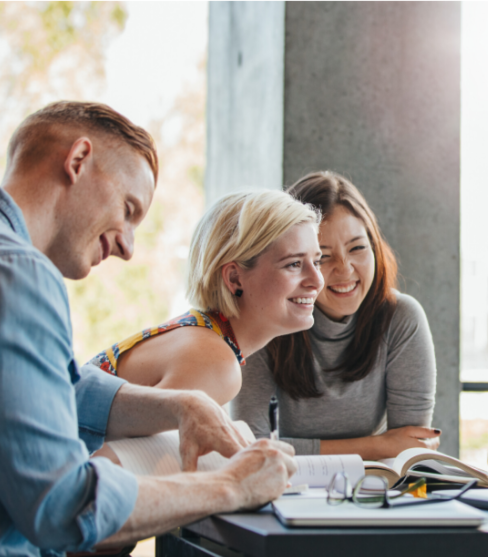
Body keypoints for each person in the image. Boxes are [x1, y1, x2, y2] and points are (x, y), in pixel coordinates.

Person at [0, 101, 297, 557]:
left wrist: (182, 405)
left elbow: (53, 389)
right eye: (128, 208)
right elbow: (63, 507)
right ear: (78, 161)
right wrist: (231, 486)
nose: (127, 247)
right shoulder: (22, 275)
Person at [231, 171, 440, 460]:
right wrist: (377, 445)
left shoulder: (401, 318)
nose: (344, 269)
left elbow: (409, 447)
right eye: (323, 257)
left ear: (375, 247)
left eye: (357, 248)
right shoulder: (266, 319)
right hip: (284, 489)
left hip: (373, 490)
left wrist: (388, 447)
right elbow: (251, 448)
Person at [87, 189, 324, 407]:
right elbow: (111, 453)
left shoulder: (205, 336)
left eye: (317, 262)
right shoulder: (215, 364)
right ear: (234, 278)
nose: (317, 280)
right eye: (294, 264)